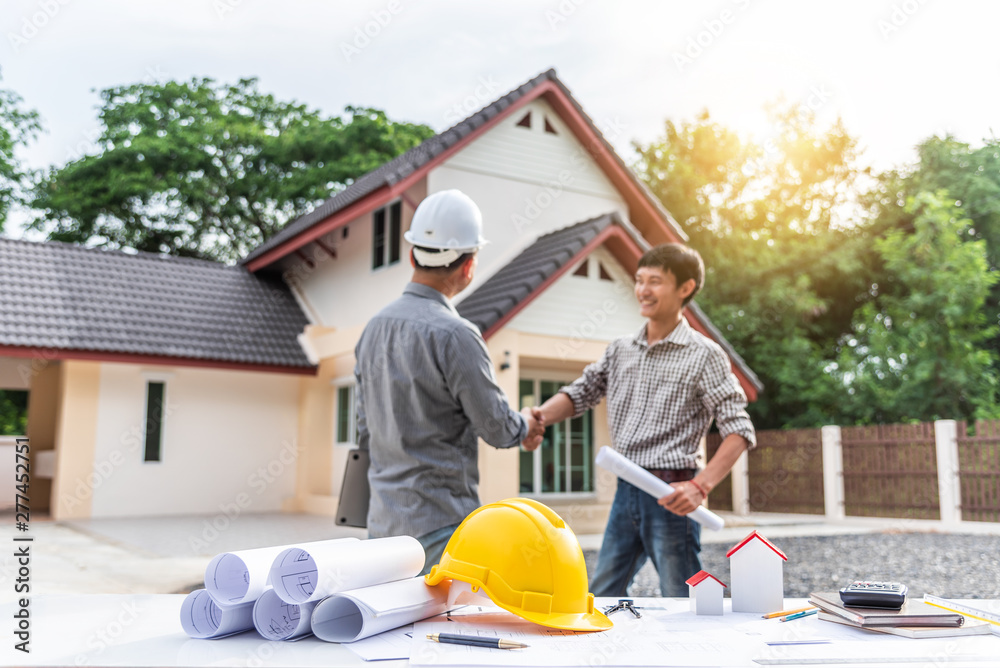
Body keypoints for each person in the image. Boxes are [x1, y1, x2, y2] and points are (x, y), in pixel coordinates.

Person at [534, 243, 756, 596]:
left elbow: (739, 430)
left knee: (681, 597)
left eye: (655, 281)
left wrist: (700, 487)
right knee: (603, 593)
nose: (643, 290)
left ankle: (692, 650)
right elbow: (582, 392)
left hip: (673, 494)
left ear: (685, 288)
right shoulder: (620, 349)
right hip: (626, 491)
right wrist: (538, 417)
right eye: (639, 280)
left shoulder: (705, 355)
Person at [354, 189, 545, 575]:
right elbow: (496, 427)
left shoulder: (373, 329)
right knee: (447, 629)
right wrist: (526, 424)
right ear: (469, 265)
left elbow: (363, 431)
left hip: (382, 529)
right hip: (441, 528)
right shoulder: (456, 335)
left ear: (412, 255)